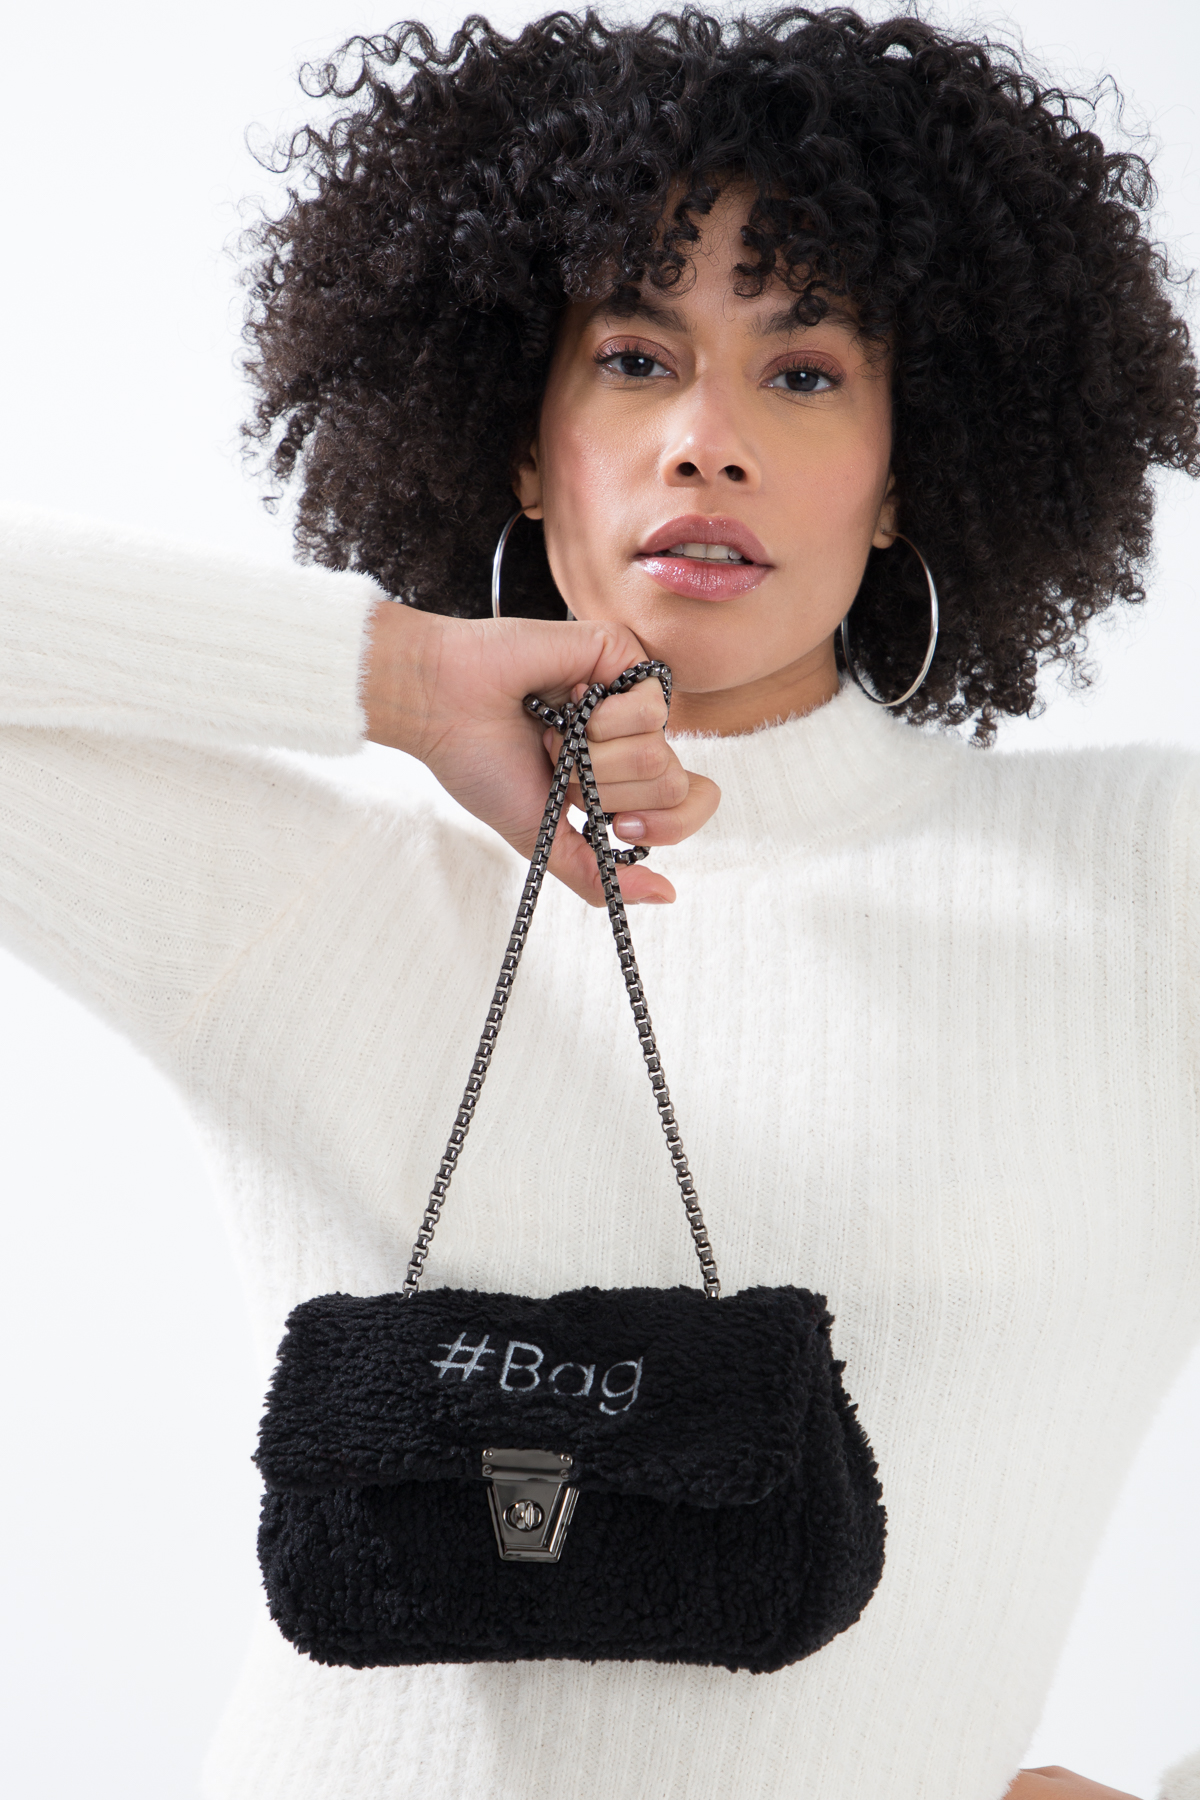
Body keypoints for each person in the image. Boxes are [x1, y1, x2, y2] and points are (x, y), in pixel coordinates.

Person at [2, 8, 1198, 1798]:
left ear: (905, 474)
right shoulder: (314, 897)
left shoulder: (1148, 884)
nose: (708, 439)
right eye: (637, 358)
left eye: (805, 373)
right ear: (519, 436)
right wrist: (393, 676)